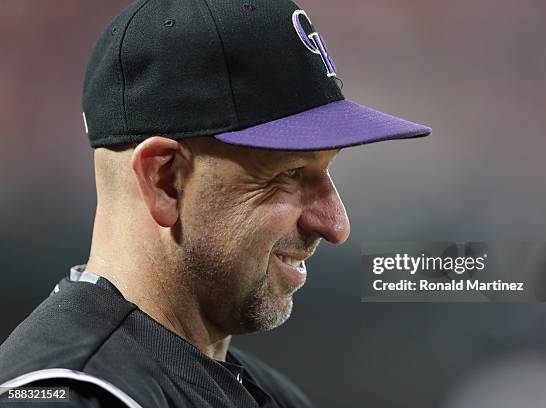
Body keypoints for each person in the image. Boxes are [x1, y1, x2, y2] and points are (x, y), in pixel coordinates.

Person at [0, 0, 430, 406]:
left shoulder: (268, 394)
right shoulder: (72, 395)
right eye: (290, 173)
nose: (335, 224)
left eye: (326, 170)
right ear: (164, 179)